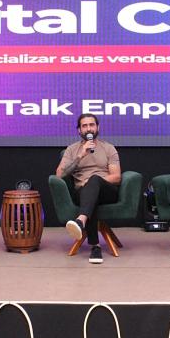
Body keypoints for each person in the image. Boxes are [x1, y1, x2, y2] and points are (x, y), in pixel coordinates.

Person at [56, 113, 121, 264]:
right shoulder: (72, 149)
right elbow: (59, 174)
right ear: (79, 130)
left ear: (98, 127)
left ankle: (81, 222)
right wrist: (80, 155)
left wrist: (93, 181)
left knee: (94, 181)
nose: (88, 128)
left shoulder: (108, 148)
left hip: (107, 191)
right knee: (91, 197)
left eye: (92, 125)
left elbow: (116, 177)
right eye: (84, 126)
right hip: (82, 193)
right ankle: (95, 247)